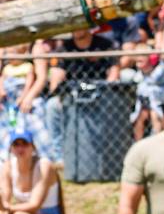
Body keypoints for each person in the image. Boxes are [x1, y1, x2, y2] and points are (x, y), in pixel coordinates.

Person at [44, 29, 120, 164]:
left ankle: (110, 156)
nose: (76, 30)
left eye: (80, 25)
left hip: (99, 92)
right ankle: (59, 158)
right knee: (52, 106)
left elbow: (114, 73)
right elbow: (56, 78)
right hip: (73, 94)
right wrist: (60, 93)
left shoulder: (105, 45)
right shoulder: (64, 49)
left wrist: (106, 92)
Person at [0, 129, 64, 214]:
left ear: (33, 147)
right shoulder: (7, 166)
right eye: (16, 144)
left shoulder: (44, 166)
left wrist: (7, 208)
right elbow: (4, 199)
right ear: (11, 148)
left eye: (24, 144)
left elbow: (34, 205)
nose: (20, 148)